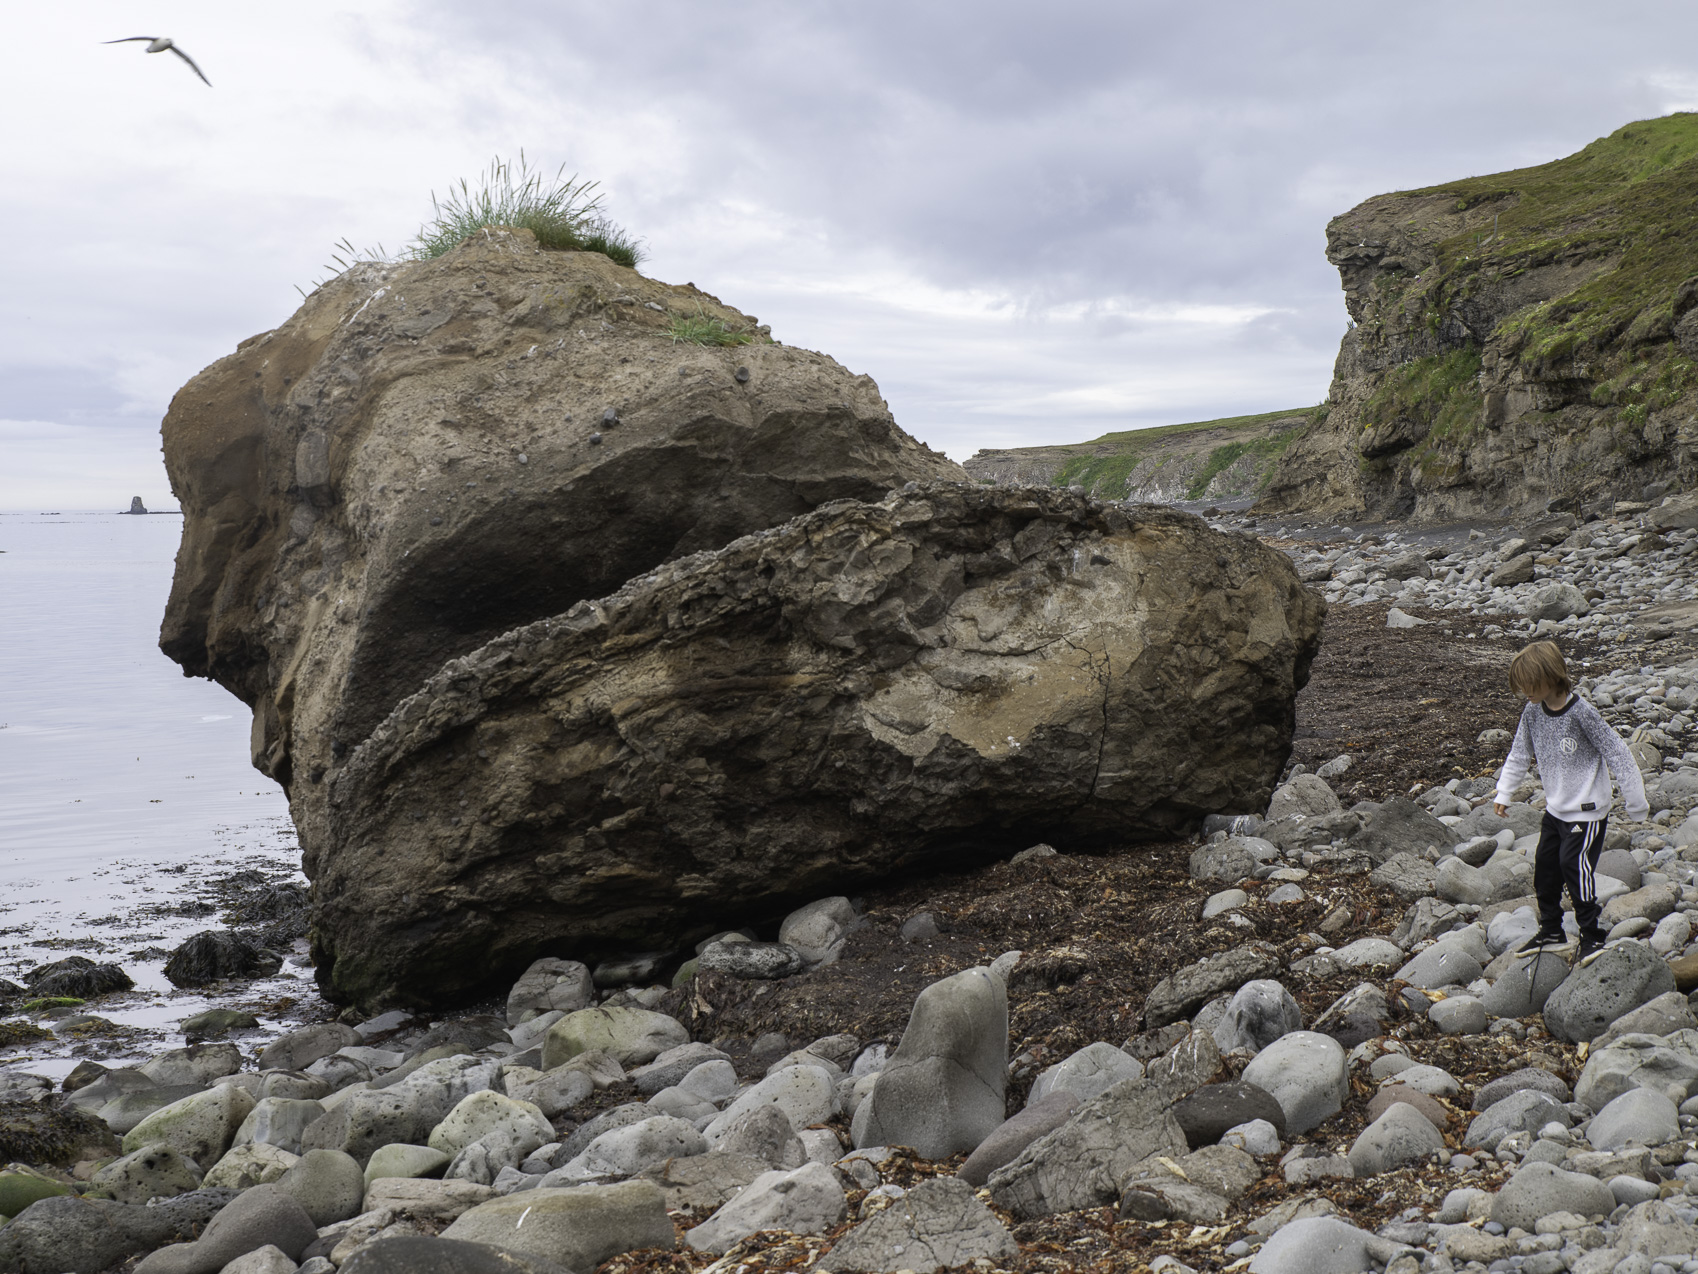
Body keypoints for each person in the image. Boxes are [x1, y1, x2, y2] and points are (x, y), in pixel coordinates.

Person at [1493, 640, 1648, 963]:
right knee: (1545, 870)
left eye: (1529, 685)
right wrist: (1504, 792)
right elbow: (1520, 753)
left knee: (1574, 866)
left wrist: (1636, 802)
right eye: (1521, 687)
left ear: (1552, 676)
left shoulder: (1582, 713)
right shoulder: (1532, 712)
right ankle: (1551, 929)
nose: (1525, 692)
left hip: (1587, 811)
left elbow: (1617, 752)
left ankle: (1592, 935)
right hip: (1555, 810)